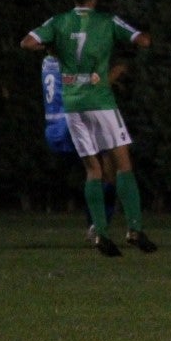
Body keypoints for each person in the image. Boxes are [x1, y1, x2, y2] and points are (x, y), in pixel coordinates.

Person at [20, 0, 156, 257]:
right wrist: (143, 37)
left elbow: (27, 43)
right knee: (123, 164)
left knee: (93, 169)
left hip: (73, 104)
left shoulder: (57, 22)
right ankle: (134, 228)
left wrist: (53, 46)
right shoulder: (107, 22)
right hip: (101, 100)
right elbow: (142, 41)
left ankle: (101, 234)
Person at [42, 52, 119, 244]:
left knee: (95, 168)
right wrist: (117, 72)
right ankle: (97, 225)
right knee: (109, 165)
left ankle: (96, 225)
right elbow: (91, 85)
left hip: (53, 125)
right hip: (71, 122)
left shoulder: (48, 59)